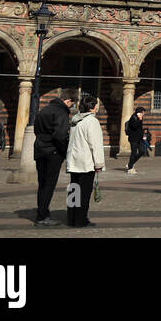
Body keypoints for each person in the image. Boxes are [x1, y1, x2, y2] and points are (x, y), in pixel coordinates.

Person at [34, 88, 77, 226]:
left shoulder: (44, 109)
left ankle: (42, 212)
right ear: (68, 100)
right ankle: (42, 216)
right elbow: (60, 135)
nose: (72, 106)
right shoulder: (61, 112)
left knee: (42, 184)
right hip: (53, 152)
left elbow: (36, 129)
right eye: (72, 103)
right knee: (49, 185)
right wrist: (65, 152)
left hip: (40, 149)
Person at [66, 94, 105, 229]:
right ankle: (80, 220)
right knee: (83, 193)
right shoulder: (92, 121)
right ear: (93, 107)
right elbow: (96, 144)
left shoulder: (75, 120)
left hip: (74, 161)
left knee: (74, 191)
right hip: (86, 163)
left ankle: (71, 218)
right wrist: (99, 163)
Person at [125, 107, 146, 173]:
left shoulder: (139, 118)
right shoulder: (133, 118)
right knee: (133, 152)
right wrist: (140, 120)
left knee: (142, 151)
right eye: (143, 112)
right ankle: (130, 168)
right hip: (133, 139)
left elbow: (139, 128)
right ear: (139, 113)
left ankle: (130, 163)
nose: (144, 114)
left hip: (139, 139)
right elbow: (135, 126)